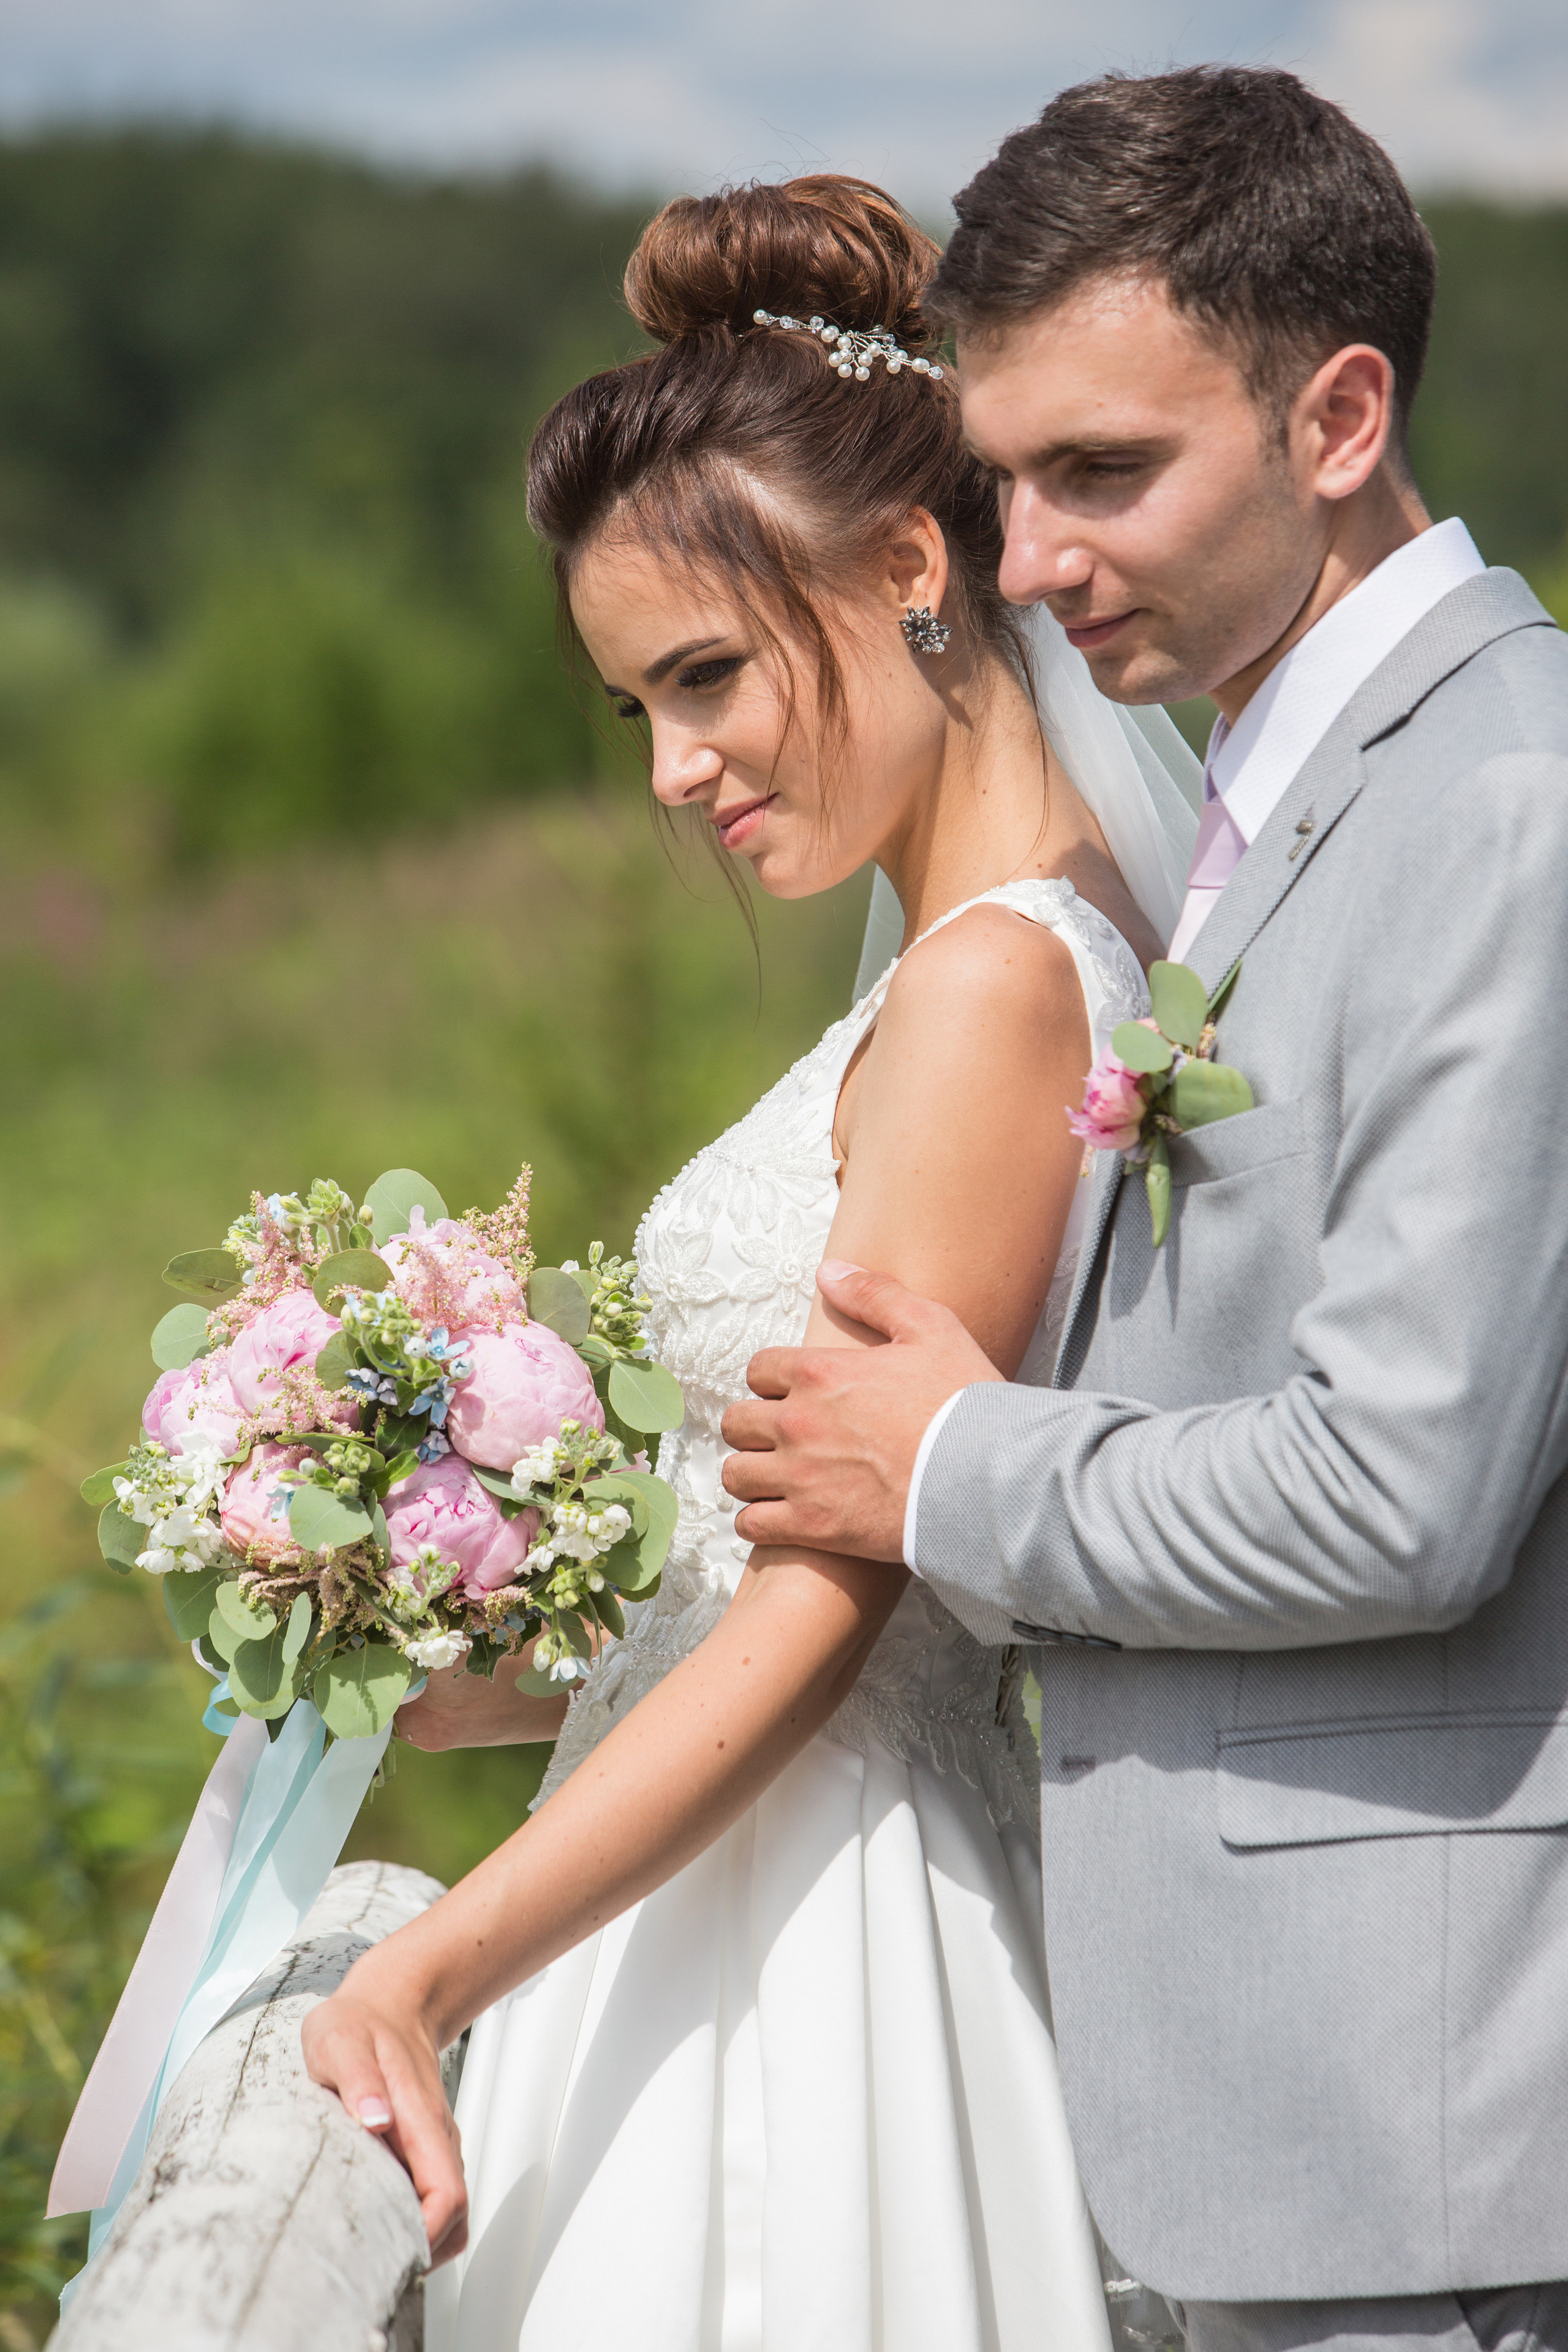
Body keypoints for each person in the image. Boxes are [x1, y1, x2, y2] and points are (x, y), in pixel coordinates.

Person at [301, 174, 1198, 2351]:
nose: (677, 771)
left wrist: (432, 1964)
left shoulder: (996, 990)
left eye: (704, 677)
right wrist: (468, 1635)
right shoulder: (970, 959)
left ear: (911, 566)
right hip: (708, 1884)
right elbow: (766, 1536)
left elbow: (842, 1593)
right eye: (635, 712)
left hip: (810, 1941)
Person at [719, 68, 1568, 2352]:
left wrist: (950, 1467)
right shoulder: (1265, 801)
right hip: (1251, 2106)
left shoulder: (1512, 811)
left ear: (1339, 414)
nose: (1023, 566)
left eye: (1103, 472)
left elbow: (1403, 1490)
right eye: (1003, 481)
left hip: (1429, 2138)